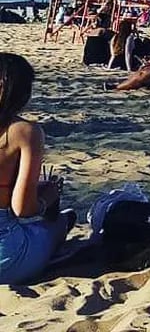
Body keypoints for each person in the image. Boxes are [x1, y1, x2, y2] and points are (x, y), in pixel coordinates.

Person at [0, 53, 76, 284]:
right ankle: (62, 226)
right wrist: (47, 196)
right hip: (5, 253)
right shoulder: (23, 132)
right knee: (57, 224)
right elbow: (23, 209)